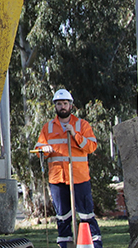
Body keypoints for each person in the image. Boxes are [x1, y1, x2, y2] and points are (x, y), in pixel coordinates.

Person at [35, 89, 101, 248]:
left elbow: (91, 147)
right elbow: (39, 148)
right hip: (57, 178)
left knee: (86, 215)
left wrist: (75, 136)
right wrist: (43, 151)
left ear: (71, 106)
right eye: (59, 104)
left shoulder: (82, 125)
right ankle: (66, 245)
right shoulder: (48, 127)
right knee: (63, 217)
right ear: (55, 106)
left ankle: (94, 245)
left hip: (79, 178)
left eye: (65, 103)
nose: (62, 107)